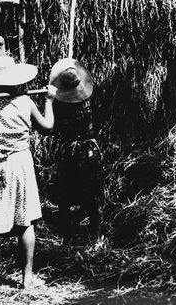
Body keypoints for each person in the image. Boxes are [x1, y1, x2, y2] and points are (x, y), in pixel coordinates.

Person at [0, 56, 56, 295]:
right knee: (25, 222)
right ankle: (27, 279)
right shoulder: (25, 102)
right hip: (19, 164)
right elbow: (47, 127)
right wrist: (49, 100)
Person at [49, 58, 103, 241]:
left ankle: (67, 232)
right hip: (89, 149)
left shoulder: (58, 105)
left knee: (66, 191)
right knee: (92, 191)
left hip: (70, 151)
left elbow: (52, 128)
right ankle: (95, 233)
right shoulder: (91, 99)